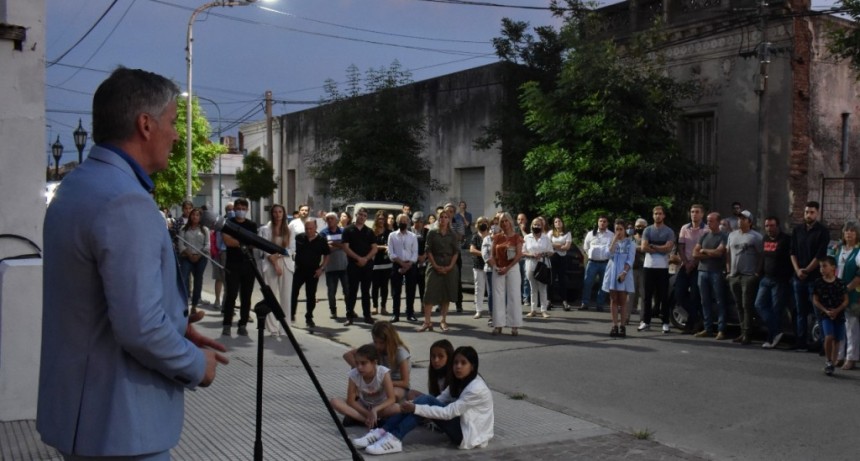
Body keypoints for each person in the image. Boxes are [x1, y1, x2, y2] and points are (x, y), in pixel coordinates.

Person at [38, 67, 228, 459]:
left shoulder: (77, 186)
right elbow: (140, 328)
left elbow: (95, 306)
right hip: (121, 425)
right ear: (145, 124)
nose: (176, 135)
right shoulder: (125, 201)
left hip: (83, 417)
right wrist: (196, 364)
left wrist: (175, 326)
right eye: (173, 122)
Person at [351, 346, 493, 455]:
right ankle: (383, 433)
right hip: (461, 424)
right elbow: (439, 399)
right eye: (456, 363)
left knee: (423, 403)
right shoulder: (459, 380)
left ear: (472, 366)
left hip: (468, 434)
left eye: (463, 363)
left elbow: (449, 413)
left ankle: (393, 438)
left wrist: (417, 408)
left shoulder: (476, 388)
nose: (458, 366)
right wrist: (416, 407)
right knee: (424, 401)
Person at [790, 201, 830, 351]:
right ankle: (800, 341)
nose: (808, 215)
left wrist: (806, 270)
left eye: (812, 212)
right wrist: (798, 270)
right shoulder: (797, 230)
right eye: (807, 212)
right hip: (798, 277)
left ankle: (821, 343)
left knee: (817, 311)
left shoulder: (822, 231)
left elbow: (820, 255)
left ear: (817, 213)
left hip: (814, 278)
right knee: (800, 311)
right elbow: (792, 252)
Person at [331, 344, 399, 428]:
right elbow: (351, 401)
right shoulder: (354, 374)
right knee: (335, 401)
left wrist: (375, 409)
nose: (359, 367)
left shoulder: (383, 372)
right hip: (363, 406)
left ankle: (358, 418)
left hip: (380, 407)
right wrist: (368, 414)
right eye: (357, 363)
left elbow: (391, 399)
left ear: (374, 362)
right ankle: (370, 421)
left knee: (397, 408)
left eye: (363, 363)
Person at [344, 321, 412, 399]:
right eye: (375, 342)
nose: (377, 346)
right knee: (361, 359)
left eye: (381, 343)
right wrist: (360, 367)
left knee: (392, 394)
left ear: (390, 340)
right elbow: (347, 355)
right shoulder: (374, 347)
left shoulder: (400, 352)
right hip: (377, 382)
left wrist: (383, 383)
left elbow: (405, 383)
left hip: (395, 384)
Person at [419, 209, 460, 332]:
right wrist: (435, 265)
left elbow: (456, 252)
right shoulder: (432, 233)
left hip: (449, 265)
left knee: (445, 294)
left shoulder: (452, 234)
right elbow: (428, 250)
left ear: (449, 219)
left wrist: (450, 266)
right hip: (434, 264)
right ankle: (427, 321)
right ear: (438, 219)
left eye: (446, 217)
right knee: (429, 293)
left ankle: (443, 321)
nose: (443, 219)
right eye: (441, 217)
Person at [726, 210, 763, 345]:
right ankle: (742, 331)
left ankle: (748, 333)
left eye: (743, 219)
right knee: (738, 305)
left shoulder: (756, 237)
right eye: (739, 218)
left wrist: (757, 273)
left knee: (747, 305)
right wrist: (728, 271)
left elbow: (761, 255)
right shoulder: (732, 235)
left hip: (748, 275)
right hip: (734, 275)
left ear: (750, 222)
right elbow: (728, 253)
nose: (740, 221)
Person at [256, 203, 293, 336]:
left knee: (285, 297)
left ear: (283, 214)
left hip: (285, 263)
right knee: (270, 297)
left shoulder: (289, 229)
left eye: (280, 212)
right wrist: (273, 260)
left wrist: (277, 257)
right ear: (272, 213)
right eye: (275, 212)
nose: (278, 214)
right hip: (269, 262)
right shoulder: (265, 229)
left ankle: (285, 327)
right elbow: (263, 247)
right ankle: (272, 328)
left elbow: (291, 249)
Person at [755, 216, 792, 349]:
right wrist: (758, 272)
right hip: (766, 279)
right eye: (767, 226)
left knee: (777, 309)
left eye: (772, 226)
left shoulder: (786, 239)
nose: (769, 229)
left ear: (778, 226)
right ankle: (776, 331)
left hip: (780, 280)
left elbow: (791, 258)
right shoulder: (765, 239)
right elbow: (763, 257)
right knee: (759, 305)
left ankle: (772, 337)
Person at [639, 206, 675, 333]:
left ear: (664, 216)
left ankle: (665, 322)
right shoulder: (647, 230)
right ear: (653, 215)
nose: (657, 216)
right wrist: (661, 247)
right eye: (655, 214)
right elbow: (643, 247)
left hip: (662, 268)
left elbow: (668, 248)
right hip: (648, 267)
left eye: (660, 214)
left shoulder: (669, 231)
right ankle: (646, 322)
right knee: (647, 296)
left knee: (663, 296)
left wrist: (653, 246)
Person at [694, 212, 729, 339]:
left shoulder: (724, 236)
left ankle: (721, 329)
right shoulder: (704, 236)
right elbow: (695, 254)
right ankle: (707, 328)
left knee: (719, 300)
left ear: (718, 222)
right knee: (705, 301)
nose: (708, 223)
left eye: (711, 221)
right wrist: (708, 253)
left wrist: (704, 251)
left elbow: (719, 252)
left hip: (716, 272)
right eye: (708, 220)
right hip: (702, 271)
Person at [489, 212, 524, 336]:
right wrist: (494, 266)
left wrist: (508, 268)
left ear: (510, 222)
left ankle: (514, 325)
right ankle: (498, 325)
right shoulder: (497, 237)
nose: (504, 223)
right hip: (498, 267)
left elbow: (519, 255)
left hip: (512, 267)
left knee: (514, 295)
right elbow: (491, 254)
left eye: (506, 221)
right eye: (502, 221)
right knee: (498, 296)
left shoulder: (517, 237)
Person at [291, 217, 330, 328]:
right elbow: (291, 249)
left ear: (316, 227)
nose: (308, 231)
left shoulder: (321, 240)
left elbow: (327, 255)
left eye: (311, 228)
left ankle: (309, 317)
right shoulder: (299, 237)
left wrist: (321, 268)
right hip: (299, 270)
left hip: (313, 271)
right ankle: (291, 314)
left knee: (311, 295)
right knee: (293, 292)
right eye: (306, 228)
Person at [813, 256, 848, 376]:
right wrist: (826, 311)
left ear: (833, 268)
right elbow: (815, 300)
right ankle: (828, 360)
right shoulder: (818, 283)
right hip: (825, 314)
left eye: (825, 266)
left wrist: (837, 310)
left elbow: (845, 300)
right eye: (820, 267)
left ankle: (833, 362)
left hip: (838, 314)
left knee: (837, 339)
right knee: (829, 336)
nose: (822, 269)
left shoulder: (840, 283)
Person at [343, 208, 378, 325]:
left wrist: (365, 259)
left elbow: (375, 248)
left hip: (367, 266)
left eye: (364, 215)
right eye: (360, 215)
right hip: (353, 265)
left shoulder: (369, 231)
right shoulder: (348, 230)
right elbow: (346, 248)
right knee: (351, 291)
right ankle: (349, 316)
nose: (362, 217)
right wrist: (358, 259)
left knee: (366, 292)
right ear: (356, 215)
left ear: (366, 218)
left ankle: (367, 316)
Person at [676, 204, 707, 334]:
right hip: (685, 265)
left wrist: (693, 263)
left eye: (697, 212)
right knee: (679, 294)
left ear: (702, 214)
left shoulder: (706, 230)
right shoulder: (685, 228)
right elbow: (681, 247)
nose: (694, 214)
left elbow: (703, 250)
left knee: (695, 295)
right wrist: (686, 263)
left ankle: (692, 323)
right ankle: (696, 317)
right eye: (692, 211)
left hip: (698, 266)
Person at [603, 219, 635, 338]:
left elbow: (630, 260)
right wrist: (614, 241)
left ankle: (623, 326)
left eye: (621, 229)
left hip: (623, 273)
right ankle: (614, 325)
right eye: (617, 229)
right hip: (612, 272)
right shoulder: (611, 241)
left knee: (622, 300)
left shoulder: (630, 243)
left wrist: (624, 273)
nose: (619, 232)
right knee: (613, 299)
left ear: (625, 230)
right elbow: (608, 255)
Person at [834, 222, 860, 369]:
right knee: (839, 326)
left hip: (852, 295)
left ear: (857, 234)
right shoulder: (838, 250)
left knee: (851, 327)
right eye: (847, 231)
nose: (849, 233)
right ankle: (839, 355)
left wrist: (847, 289)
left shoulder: (858, 252)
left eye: (852, 231)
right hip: (837, 292)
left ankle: (851, 357)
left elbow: (859, 275)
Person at [178, 207, 210, 321]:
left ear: (200, 217)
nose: (195, 217)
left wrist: (199, 255)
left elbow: (207, 245)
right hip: (187, 257)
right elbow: (181, 244)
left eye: (197, 215)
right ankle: (184, 303)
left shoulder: (204, 229)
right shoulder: (183, 229)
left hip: (200, 258)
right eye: (193, 215)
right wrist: (189, 254)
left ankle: (195, 305)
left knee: (198, 280)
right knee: (184, 278)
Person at [388, 213, 419, 323]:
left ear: (408, 222)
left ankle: (410, 313)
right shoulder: (392, 235)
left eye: (406, 221)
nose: (404, 223)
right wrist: (401, 263)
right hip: (397, 264)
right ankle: (395, 314)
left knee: (410, 290)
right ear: (397, 222)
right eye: (401, 221)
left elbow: (415, 253)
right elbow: (391, 253)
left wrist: (408, 264)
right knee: (396, 291)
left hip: (410, 265)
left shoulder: (413, 236)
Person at [523, 217, 553, 318]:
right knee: (533, 288)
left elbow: (551, 251)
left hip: (542, 265)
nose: (537, 226)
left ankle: (543, 310)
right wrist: (531, 255)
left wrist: (543, 254)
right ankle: (533, 310)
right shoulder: (527, 237)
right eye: (535, 225)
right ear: (531, 226)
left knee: (543, 288)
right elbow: (522, 252)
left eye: (539, 225)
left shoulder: (546, 238)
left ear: (542, 226)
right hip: (530, 264)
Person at [581, 216, 612, 311]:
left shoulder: (611, 235)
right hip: (592, 263)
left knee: (603, 284)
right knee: (588, 283)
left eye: (604, 221)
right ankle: (585, 303)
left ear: (607, 223)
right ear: (598, 222)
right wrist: (590, 254)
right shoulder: (591, 234)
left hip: (605, 263)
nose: (602, 223)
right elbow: (585, 247)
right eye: (600, 221)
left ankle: (600, 304)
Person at [321, 211, 349, 320]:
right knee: (331, 291)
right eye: (327, 219)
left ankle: (349, 310)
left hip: (344, 266)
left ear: (337, 220)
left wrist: (334, 244)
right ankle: (333, 311)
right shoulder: (323, 233)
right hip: (330, 267)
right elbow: (324, 248)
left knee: (347, 291)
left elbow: (347, 246)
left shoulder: (343, 231)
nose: (329, 220)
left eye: (332, 218)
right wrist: (340, 245)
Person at [211, 202, 233, 311]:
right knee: (225, 280)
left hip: (234, 253)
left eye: (233, 209)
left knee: (230, 281)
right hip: (224, 252)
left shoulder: (237, 223)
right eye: (229, 209)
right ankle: (224, 304)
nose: (231, 211)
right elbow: (219, 239)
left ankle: (227, 305)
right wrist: (219, 251)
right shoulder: (222, 223)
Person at [371, 211, 393, 316]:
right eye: (379, 218)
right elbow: (372, 246)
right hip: (375, 262)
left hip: (386, 263)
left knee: (384, 286)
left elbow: (391, 246)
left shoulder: (389, 232)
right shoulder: (372, 232)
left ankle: (383, 307)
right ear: (376, 219)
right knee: (375, 286)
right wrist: (383, 247)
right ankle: (375, 306)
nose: (381, 221)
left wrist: (385, 247)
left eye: (383, 219)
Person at [469, 217, 491, 319]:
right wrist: (484, 254)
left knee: (491, 289)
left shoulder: (492, 236)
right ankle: (479, 310)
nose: (483, 224)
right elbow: (472, 250)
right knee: (479, 288)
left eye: (484, 222)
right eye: (480, 222)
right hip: (478, 266)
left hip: (490, 265)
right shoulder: (475, 236)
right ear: (477, 224)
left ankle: (493, 309)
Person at [550, 217, 572, 311]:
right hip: (552, 258)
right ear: (554, 224)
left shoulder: (567, 233)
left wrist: (555, 246)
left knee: (562, 280)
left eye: (559, 221)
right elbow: (547, 244)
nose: (558, 223)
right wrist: (560, 246)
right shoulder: (551, 233)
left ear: (562, 223)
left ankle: (564, 301)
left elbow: (566, 247)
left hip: (562, 258)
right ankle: (549, 300)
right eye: (556, 222)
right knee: (551, 279)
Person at [627, 218, 648, 315]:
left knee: (643, 294)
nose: (639, 228)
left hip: (644, 269)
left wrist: (635, 248)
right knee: (630, 294)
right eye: (638, 226)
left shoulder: (648, 238)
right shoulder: (631, 238)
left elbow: (647, 248)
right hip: (632, 269)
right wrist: (639, 248)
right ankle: (626, 316)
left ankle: (643, 317)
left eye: (642, 226)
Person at [412, 212, 428, 306]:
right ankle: (410, 306)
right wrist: (416, 256)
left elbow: (430, 245)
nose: (419, 224)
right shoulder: (409, 231)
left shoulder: (427, 231)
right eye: (417, 221)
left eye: (421, 222)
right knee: (411, 286)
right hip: (412, 260)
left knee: (423, 285)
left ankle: (423, 305)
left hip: (424, 261)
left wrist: (424, 256)